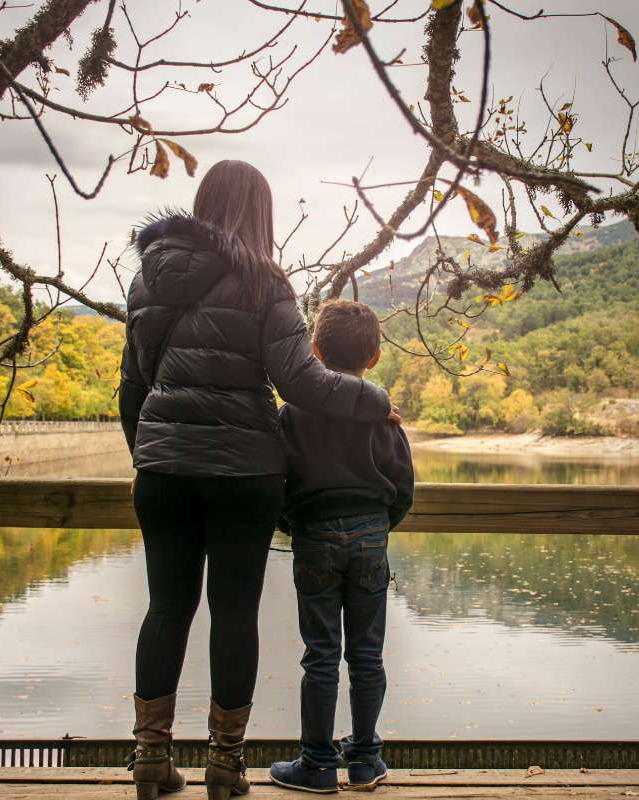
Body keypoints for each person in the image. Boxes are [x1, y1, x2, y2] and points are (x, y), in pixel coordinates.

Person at [118, 161, 400, 800]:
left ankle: (149, 759)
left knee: (166, 607)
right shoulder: (264, 282)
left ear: (201, 204)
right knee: (233, 611)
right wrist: (375, 399)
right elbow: (301, 382)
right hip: (245, 472)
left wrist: (150, 454)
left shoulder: (146, 279)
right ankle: (225, 764)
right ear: (260, 214)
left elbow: (134, 384)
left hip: (162, 470)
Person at [269, 300, 414, 794]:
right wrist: (376, 525)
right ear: (373, 357)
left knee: (322, 653)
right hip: (371, 536)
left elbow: (277, 484)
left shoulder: (291, 414)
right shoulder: (384, 416)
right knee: (368, 655)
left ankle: (316, 764)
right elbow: (403, 487)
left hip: (314, 535)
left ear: (314, 351)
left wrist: (297, 523)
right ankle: (365, 761)